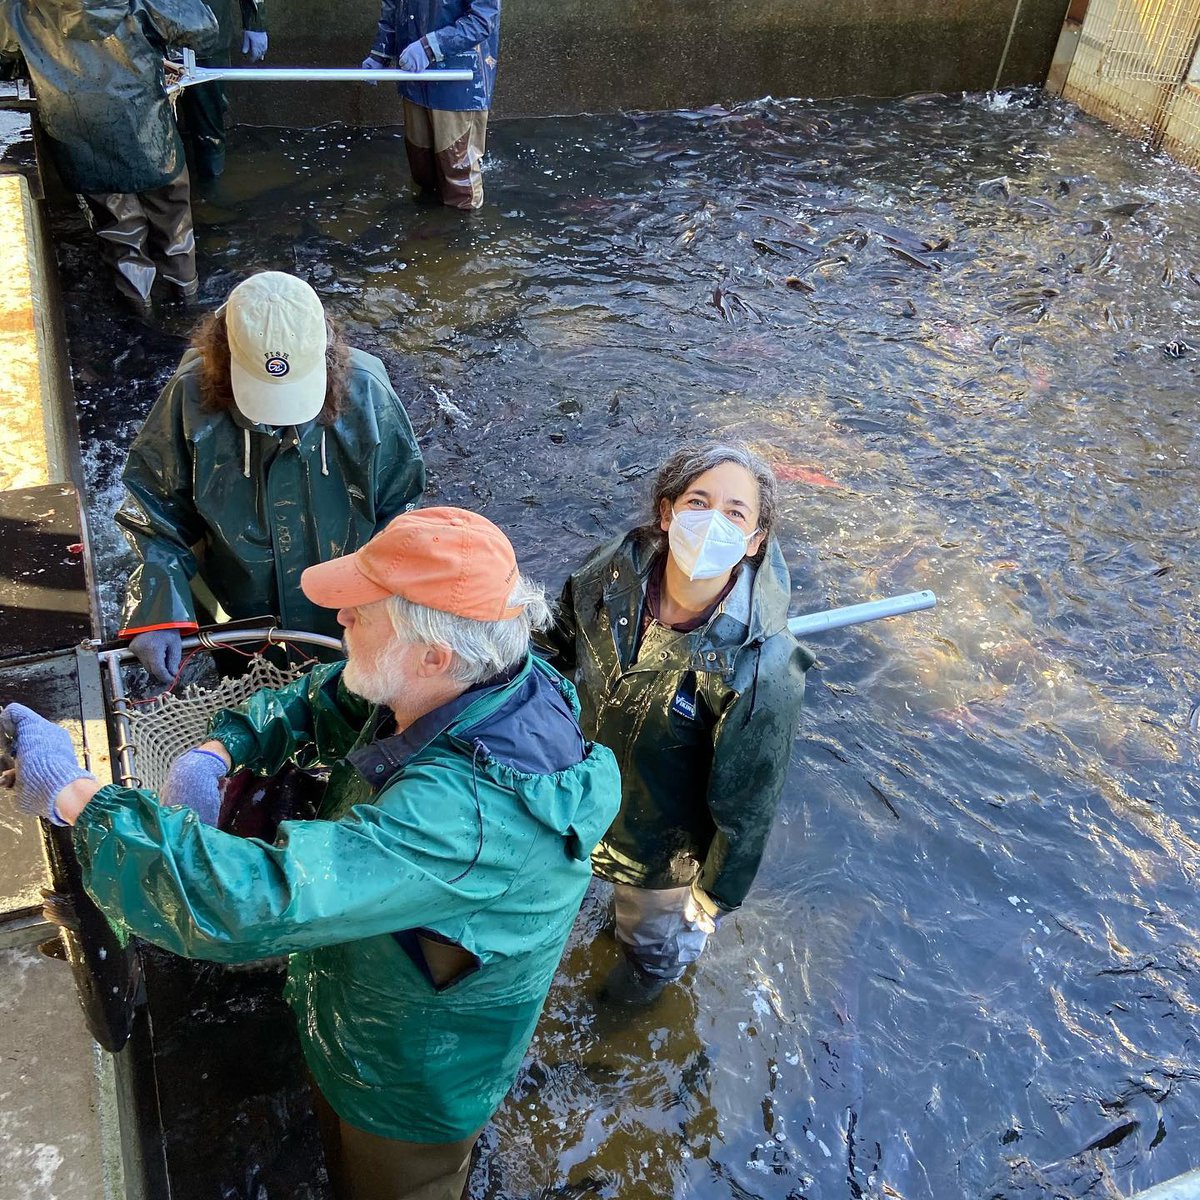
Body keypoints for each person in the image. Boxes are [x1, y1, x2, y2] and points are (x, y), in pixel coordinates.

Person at [2, 507, 621, 1200]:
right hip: (367, 992)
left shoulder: (467, 817)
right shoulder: (477, 681)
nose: (342, 617)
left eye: (364, 609)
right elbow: (330, 695)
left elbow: (251, 901)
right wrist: (220, 749)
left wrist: (78, 797)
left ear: (433, 654)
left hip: (410, 1079)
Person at [544, 443, 815, 1003]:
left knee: (651, 947)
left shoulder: (762, 668)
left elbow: (748, 800)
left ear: (755, 540)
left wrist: (714, 893)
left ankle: (629, 1006)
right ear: (667, 513)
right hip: (578, 795)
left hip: (664, 851)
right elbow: (553, 646)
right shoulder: (611, 573)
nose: (713, 521)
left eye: (735, 512)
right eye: (698, 501)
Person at [117, 270, 425, 683]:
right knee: (245, 686)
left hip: (343, 607)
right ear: (224, 355)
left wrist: (391, 601)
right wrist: (157, 609)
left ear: (326, 353)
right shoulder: (189, 396)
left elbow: (401, 507)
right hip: (238, 609)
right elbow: (153, 511)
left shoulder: (368, 393)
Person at [0, 0, 219, 312]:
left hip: (80, 139)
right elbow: (204, 32)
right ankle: (189, 307)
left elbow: (6, 51)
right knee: (175, 229)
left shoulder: (19, 7)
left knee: (120, 232)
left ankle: (140, 316)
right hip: (149, 136)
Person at [361, 0, 500, 211]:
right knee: (422, 169)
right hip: (414, 78)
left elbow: (483, 19)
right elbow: (392, 7)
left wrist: (429, 47)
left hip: (457, 84)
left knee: (458, 175)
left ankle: (462, 229)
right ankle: (427, 224)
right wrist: (381, 52)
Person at [178, 0, 267, 183]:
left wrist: (254, 20)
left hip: (206, 29)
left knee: (209, 127)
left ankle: (211, 188)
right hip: (146, 36)